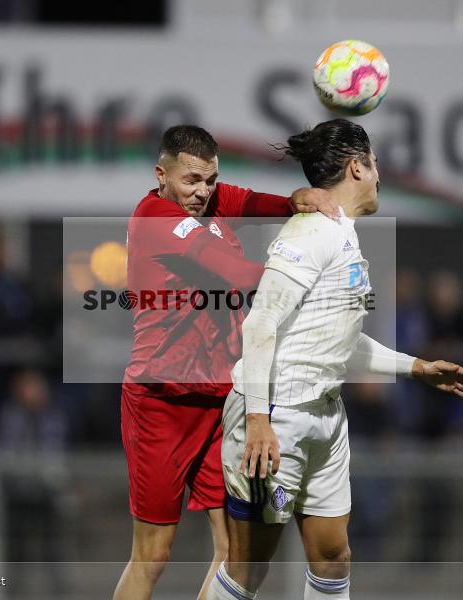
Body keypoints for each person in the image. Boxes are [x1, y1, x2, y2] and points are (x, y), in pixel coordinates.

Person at [206, 119, 463, 600]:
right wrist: (257, 420)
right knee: (248, 569)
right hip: (277, 414)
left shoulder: (343, 235)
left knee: (334, 558)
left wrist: (417, 367)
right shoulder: (311, 230)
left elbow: (337, 343)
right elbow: (260, 323)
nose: (379, 175)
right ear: (357, 166)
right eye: (374, 164)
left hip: (327, 417)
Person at [114, 124, 336, 600]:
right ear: (161, 175)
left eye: (210, 180)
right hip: (162, 402)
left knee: (234, 551)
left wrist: (297, 200)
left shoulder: (213, 201)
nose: (202, 192)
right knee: (153, 554)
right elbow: (229, 270)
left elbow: (254, 201)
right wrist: (299, 282)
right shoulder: (155, 214)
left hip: (220, 402)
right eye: (191, 180)